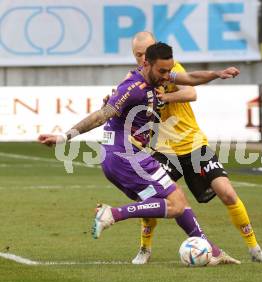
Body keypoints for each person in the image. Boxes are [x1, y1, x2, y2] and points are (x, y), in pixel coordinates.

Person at [38, 42, 241, 265]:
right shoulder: (133, 88)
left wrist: (217, 74)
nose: (167, 76)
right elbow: (102, 114)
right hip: (125, 156)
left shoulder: (159, 76)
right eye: (162, 71)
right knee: (176, 204)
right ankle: (112, 214)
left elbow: (191, 78)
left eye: (169, 70)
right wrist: (64, 137)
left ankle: (212, 251)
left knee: (175, 200)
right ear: (146, 63)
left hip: (121, 157)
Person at [128, 32, 262, 265]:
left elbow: (191, 91)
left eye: (145, 53)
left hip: (194, 144)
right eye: (138, 54)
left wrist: (165, 98)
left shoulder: (169, 69)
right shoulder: (135, 80)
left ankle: (255, 249)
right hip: (164, 150)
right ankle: (144, 249)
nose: (142, 58)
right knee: (150, 198)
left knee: (227, 193)